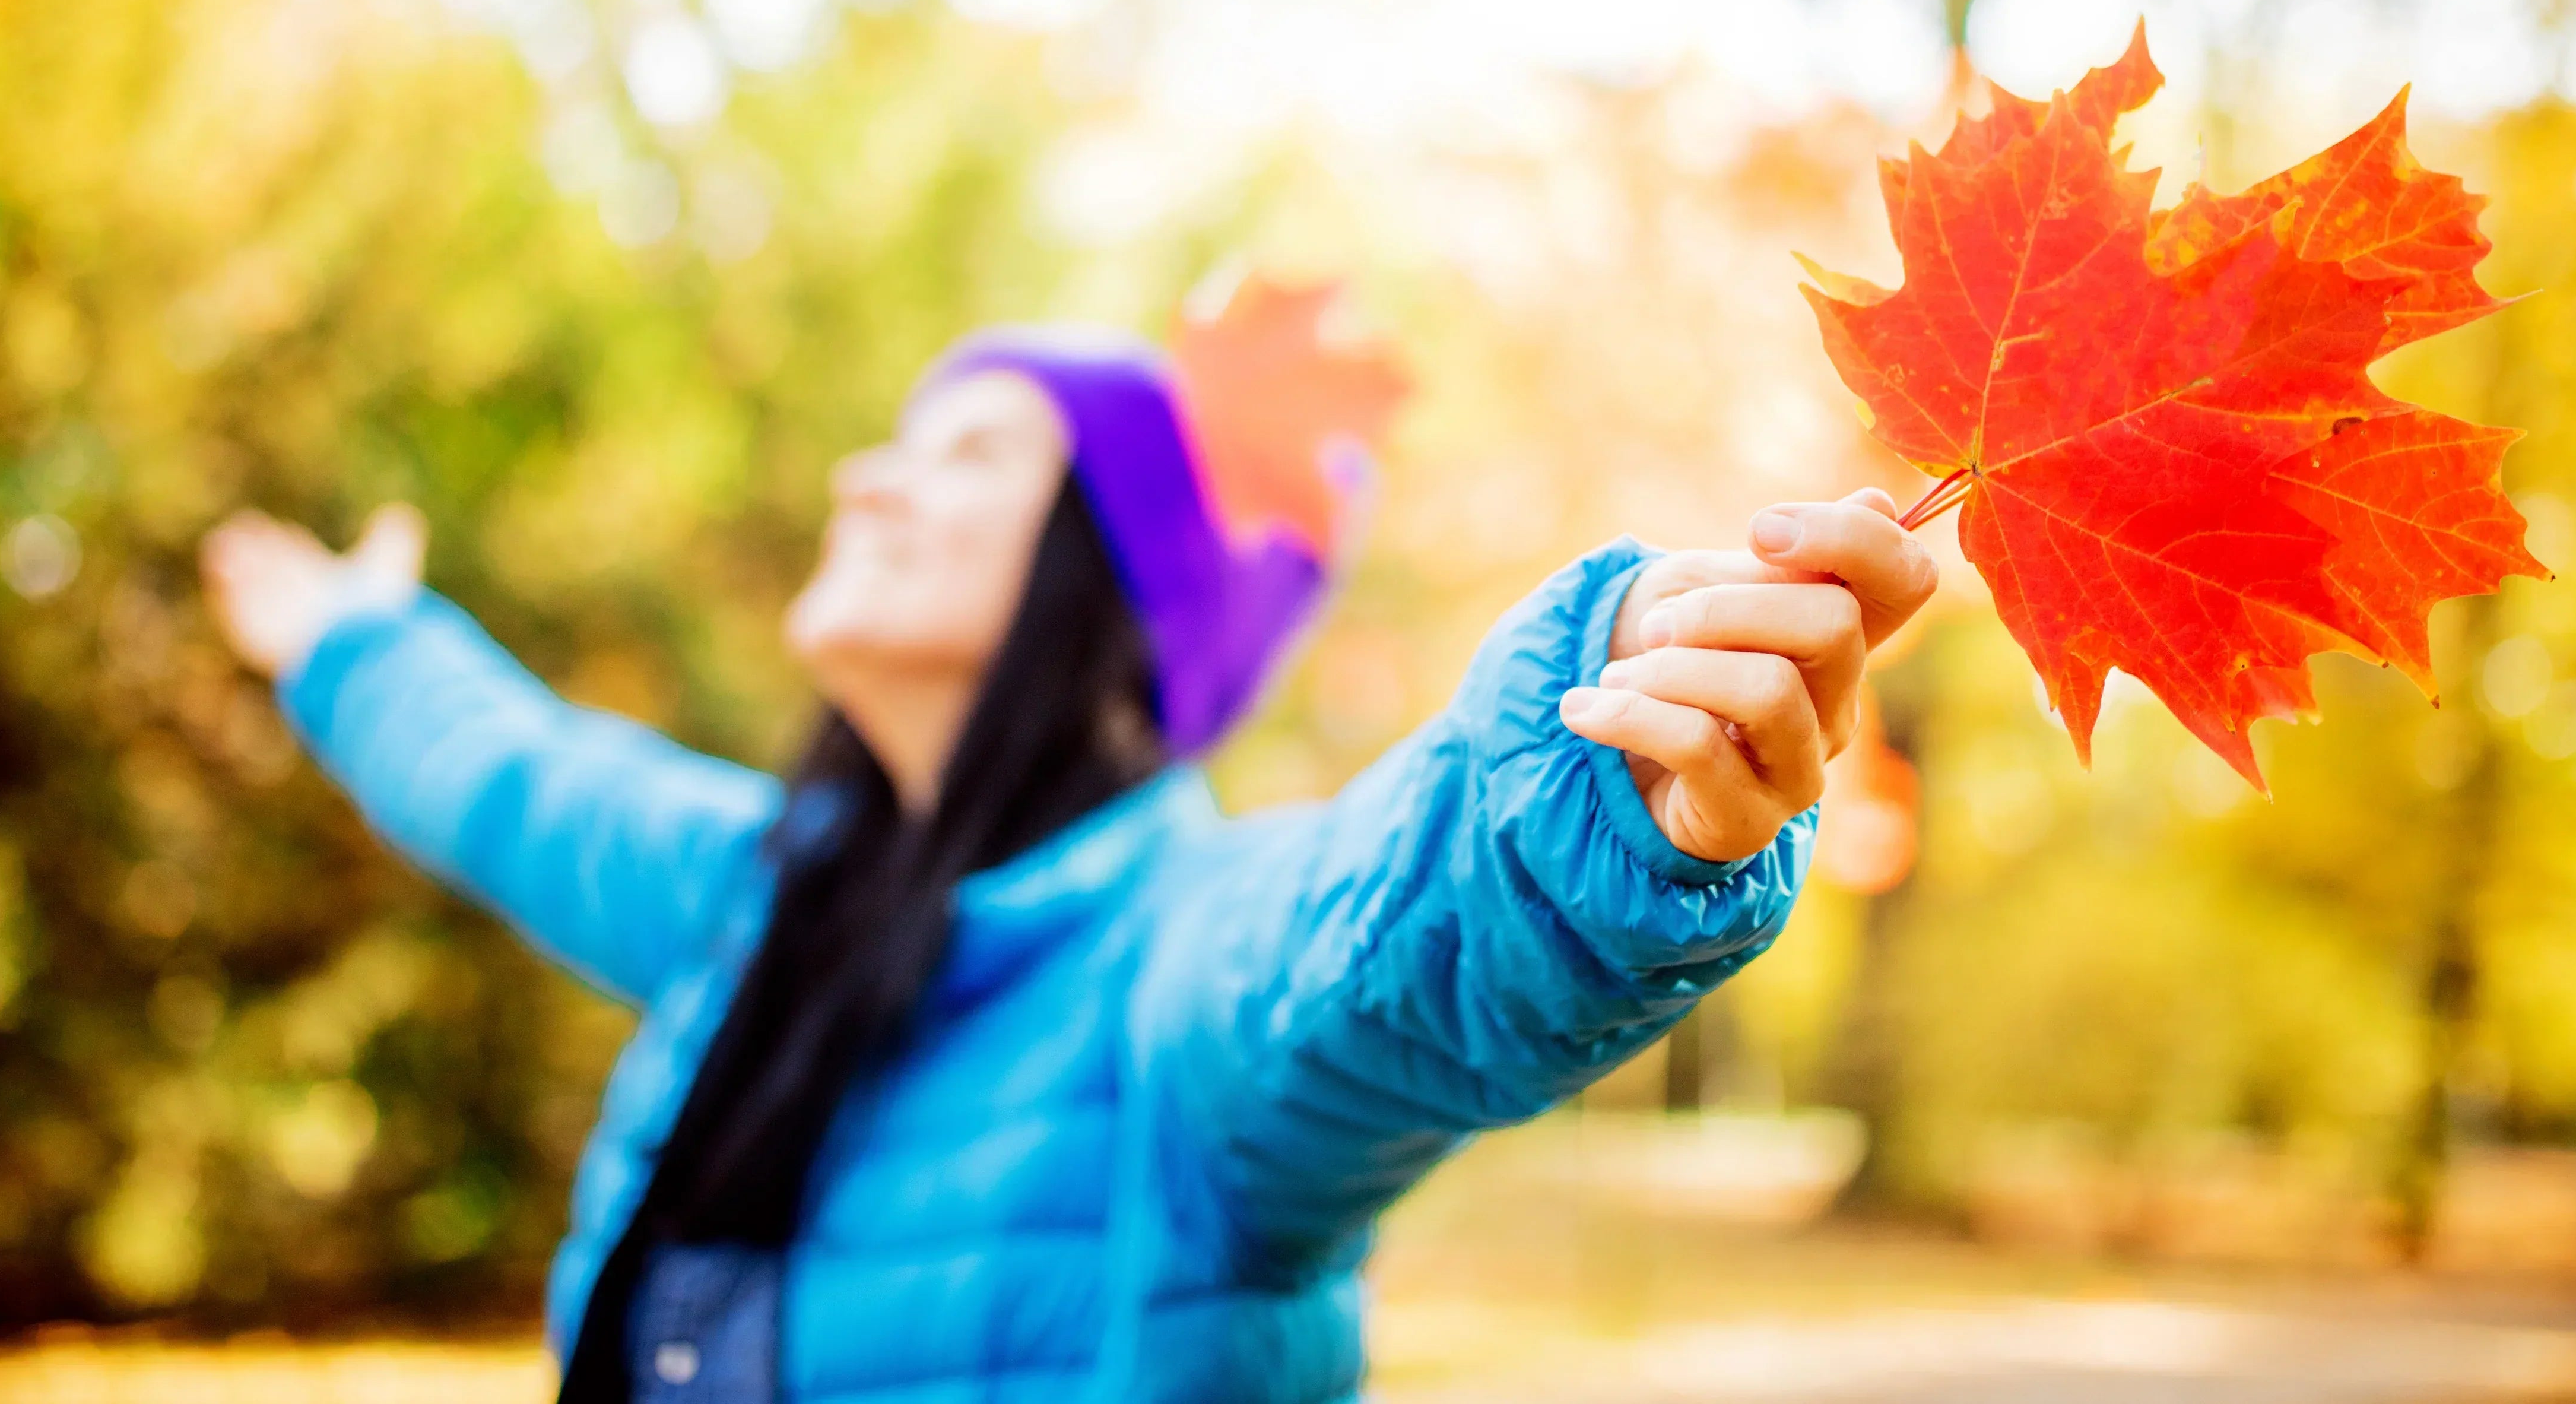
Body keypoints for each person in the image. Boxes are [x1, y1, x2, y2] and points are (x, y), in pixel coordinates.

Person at [200, 318, 1937, 1404]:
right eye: (898, 436)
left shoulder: (1179, 966)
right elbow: (521, 786)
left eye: (966, 459)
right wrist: (355, 648)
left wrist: (1601, 782)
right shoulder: (764, 901)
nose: (866, 481)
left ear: (1099, 598)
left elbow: (1372, 938)